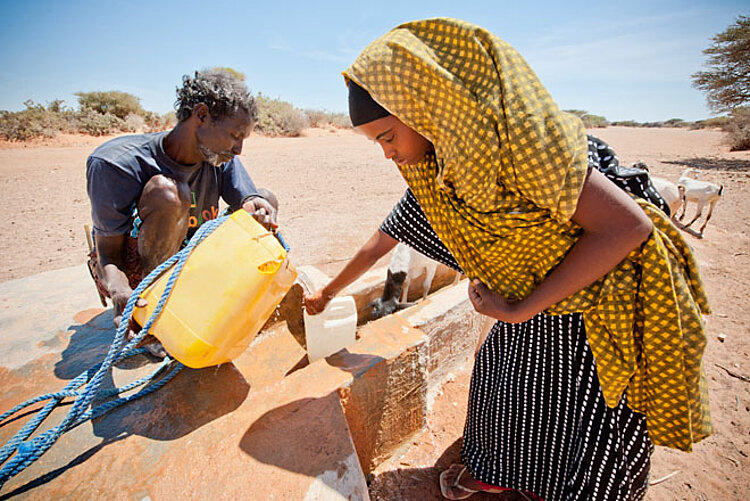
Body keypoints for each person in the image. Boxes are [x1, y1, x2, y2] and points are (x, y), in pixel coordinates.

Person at [305, 18, 712, 501]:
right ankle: (504, 479)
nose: (388, 155)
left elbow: (628, 227)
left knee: (585, 419)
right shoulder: (440, 175)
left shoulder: (521, 151)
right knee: (503, 385)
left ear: (425, 106)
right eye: (378, 143)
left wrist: (520, 308)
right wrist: (327, 293)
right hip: (532, 308)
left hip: (599, 306)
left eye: (389, 137)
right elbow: (383, 240)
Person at [86, 69, 278, 353]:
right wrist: (119, 289)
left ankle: (198, 298)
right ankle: (154, 316)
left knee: (267, 199)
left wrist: (259, 208)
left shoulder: (219, 157)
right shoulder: (115, 164)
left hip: (189, 257)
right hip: (137, 272)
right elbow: (108, 255)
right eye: (235, 135)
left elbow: (250, 200)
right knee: (170, 194)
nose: (238, 149)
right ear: (201, 115)